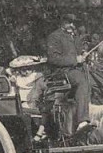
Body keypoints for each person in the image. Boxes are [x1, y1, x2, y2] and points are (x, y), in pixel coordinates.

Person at [33, 13, 92, 142]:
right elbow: (53, 59)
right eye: (69, 22)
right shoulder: (54, 37)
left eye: (73, 23)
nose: (72, 25)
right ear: (62, 23)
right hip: (60, 73)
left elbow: (80, 52)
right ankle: (82, 120)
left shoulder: (74, 37)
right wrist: (75, 60)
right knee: (81, 81)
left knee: (96, 81)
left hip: (74, 70)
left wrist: (83, 54)